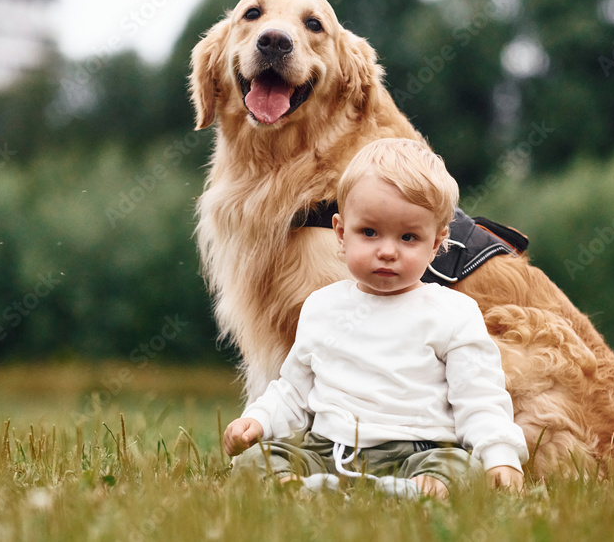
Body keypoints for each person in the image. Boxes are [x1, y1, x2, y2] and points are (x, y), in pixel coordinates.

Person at [223, 138, 528, 498]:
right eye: (369, 232)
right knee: (254, 462)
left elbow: (479, 398)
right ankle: (303, 487)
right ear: (341, 233)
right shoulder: (322, 307)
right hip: (328, 449)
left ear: (436, 243)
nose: (386, 251)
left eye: (408, 237)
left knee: (459, 469)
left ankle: (407, 491)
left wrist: (500, 456)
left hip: (418, 451)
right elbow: (293, 391)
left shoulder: (453, 313)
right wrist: (257, 420)